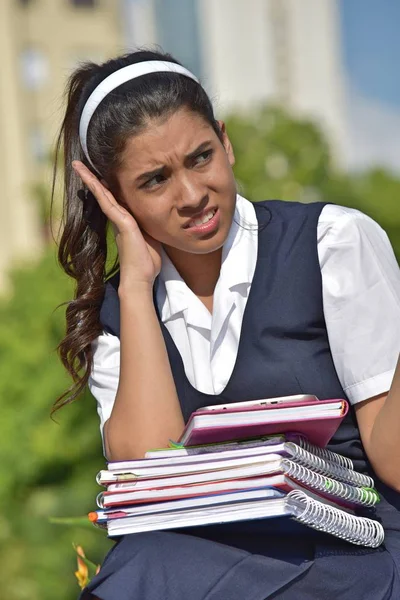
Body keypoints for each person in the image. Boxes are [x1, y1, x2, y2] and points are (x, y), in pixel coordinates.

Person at [53, 48, 400, 600]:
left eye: (200, 157)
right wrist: (139, 287)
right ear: (114, 198)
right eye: (154, 180)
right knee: (148, 562)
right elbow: (150, 478)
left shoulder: (331, 242)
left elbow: (394, 457)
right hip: (203, 557)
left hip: (351, 549)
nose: (192, 195)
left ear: (226, 140)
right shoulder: (120, 312)